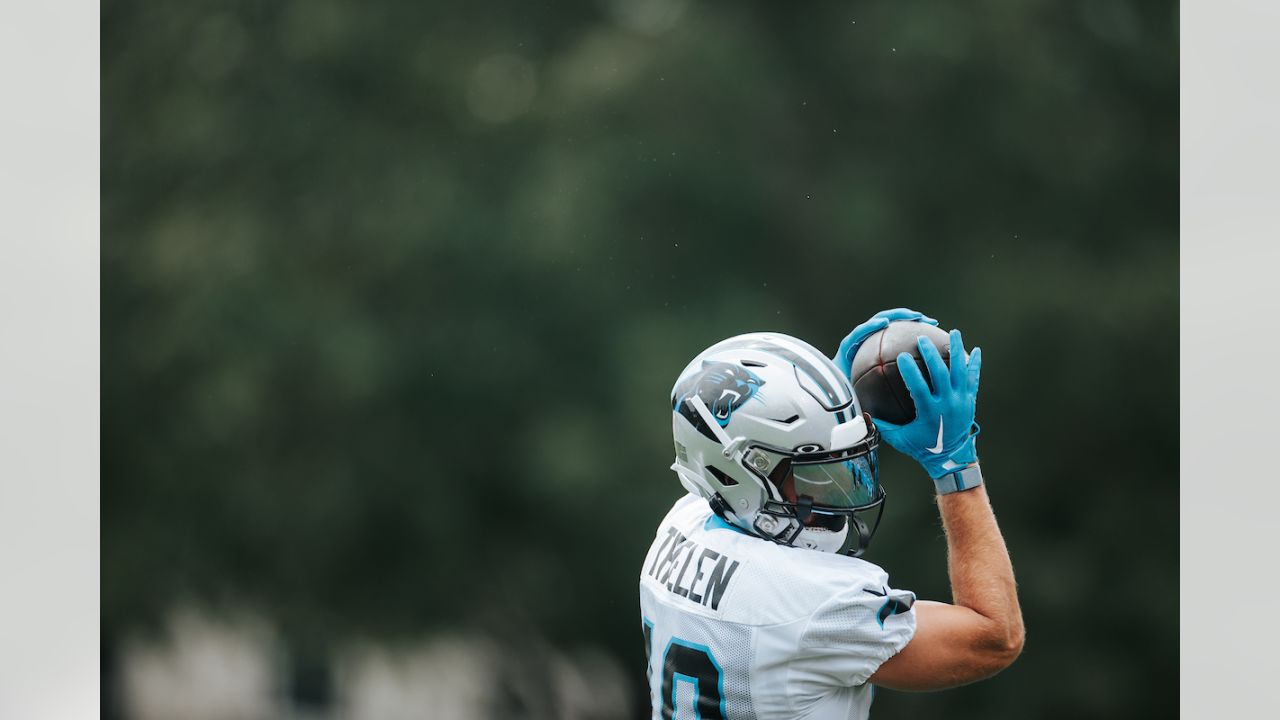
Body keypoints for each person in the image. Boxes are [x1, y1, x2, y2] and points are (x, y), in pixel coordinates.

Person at [639, 308, 1024, 719]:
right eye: (811, 471)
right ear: (737, 473)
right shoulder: (819, 603)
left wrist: (828, 397)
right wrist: (955, 466)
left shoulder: (679, 527)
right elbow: (996, 637)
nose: (833, 489)